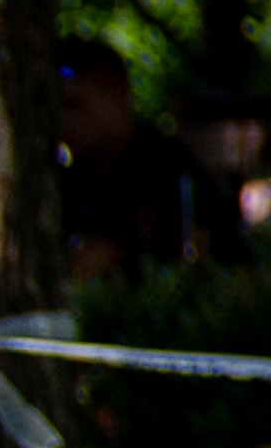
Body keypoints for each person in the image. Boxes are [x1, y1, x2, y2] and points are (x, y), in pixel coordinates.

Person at [57, 43, 248, 280]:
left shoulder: (168, 171)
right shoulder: (68, 184)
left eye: (75, 105)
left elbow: (212, 262)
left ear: (115, 93)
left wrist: (118, 260)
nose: (63, 122)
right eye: (56, 109)